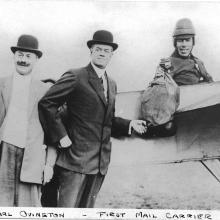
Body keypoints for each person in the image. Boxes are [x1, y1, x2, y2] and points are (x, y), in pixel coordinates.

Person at [38, 30, 147, 208]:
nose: (102, 53)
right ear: (91, 51)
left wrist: (129, 124)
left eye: (106, 50)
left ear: (112, 55)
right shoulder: (76, 76)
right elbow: (46, 104)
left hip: (99, 164)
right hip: (74, 161)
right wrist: (60, 136)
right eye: (98, 49)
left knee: (86, 213)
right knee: (67, 213)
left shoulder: (111, 83)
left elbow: (106, 119)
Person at [0, 34, 56, 206]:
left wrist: (49, 165)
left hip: (32, 157)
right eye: (20, 55)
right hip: (3, 154)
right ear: (14, 56)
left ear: (36, 59)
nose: (23, 60)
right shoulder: (1, 85)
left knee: (28, 209)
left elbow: (54, 130)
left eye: (28, 56)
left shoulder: (45, 90)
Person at [156, 18, 213, 85]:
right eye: (180, 40)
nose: (184, 45)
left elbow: (211, 86)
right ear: (175, 43)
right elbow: (158, 90)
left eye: (187, 40)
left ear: (193, 42)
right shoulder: (166, 64)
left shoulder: (198, 63)